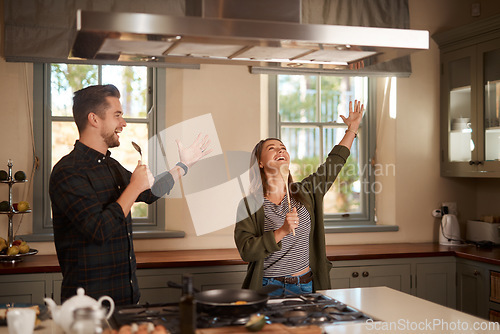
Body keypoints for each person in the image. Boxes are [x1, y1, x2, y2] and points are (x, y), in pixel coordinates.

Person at [49, 84, 211, 305]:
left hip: (126, 299)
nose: (123, 123)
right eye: (117, 115)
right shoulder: (67, 172)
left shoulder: (111, 166)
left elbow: (151, 192)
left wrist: (182, 166)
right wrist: (133, 187)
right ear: (94, 119)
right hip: (88, 305)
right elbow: (99, 230)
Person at [234, 100, 364, 296]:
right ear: (260, 162)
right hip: (268, 288)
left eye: (283, 147)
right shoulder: (249, 204)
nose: (280, 150)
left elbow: (333, 163)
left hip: (306, 285)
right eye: (272, 148)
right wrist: (282, 231)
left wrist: (352, 130)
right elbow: (247, 251)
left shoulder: (306, 191)